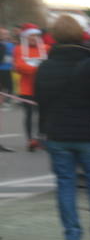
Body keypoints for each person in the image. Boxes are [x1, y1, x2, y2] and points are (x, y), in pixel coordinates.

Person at [35, 15, 90, 240]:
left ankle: (72, 237)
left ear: (54, 36)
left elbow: (40, 101)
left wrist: (45, 129)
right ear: (81, 36)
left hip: (58, 133)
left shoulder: (46, 66)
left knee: (65, 184)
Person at [13, 23, 47, 152]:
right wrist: (39, 69)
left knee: (42, 114)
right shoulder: (19, 49)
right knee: (29, 114)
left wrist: (33, 69)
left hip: (43, 88)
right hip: (26, 88)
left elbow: (49, 64)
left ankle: (41, 138)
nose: (33, 38)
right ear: (26, 37)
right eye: (31, 36)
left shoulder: (45, 48)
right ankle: (30, 140)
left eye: (35, 35)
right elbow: (19, 67)